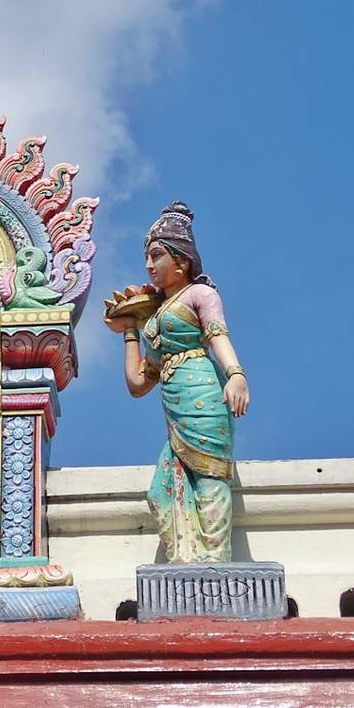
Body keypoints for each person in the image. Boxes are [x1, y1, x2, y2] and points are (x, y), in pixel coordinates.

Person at [104, 203, 250, 563]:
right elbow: (138, 384)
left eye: (156, 255)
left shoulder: (200, 294)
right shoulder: (156, 319)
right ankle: (184, 562)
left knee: (209, 480)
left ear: (181, 260)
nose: (149, 265)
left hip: (203, 392)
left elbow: (217, 336)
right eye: (147, 257)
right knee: (161, 492)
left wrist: (235, 374)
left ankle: (216, 564)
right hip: (175, 409)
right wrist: (131, 332)